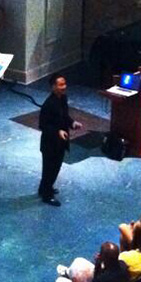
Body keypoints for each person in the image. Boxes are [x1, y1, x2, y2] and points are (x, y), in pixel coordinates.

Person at [38, 74, 81, 206]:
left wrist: (72, 123)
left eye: (64, 84)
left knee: (55, 168)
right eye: (60, 85)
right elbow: (43, 125)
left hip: (60, 142)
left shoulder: (63, 98)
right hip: (50, 144)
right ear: (53, 87)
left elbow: (64, 116)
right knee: (49, 169)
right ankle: (46, 195)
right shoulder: (48, 104)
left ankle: (44, 188)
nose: (64, 87)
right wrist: (57, 131)